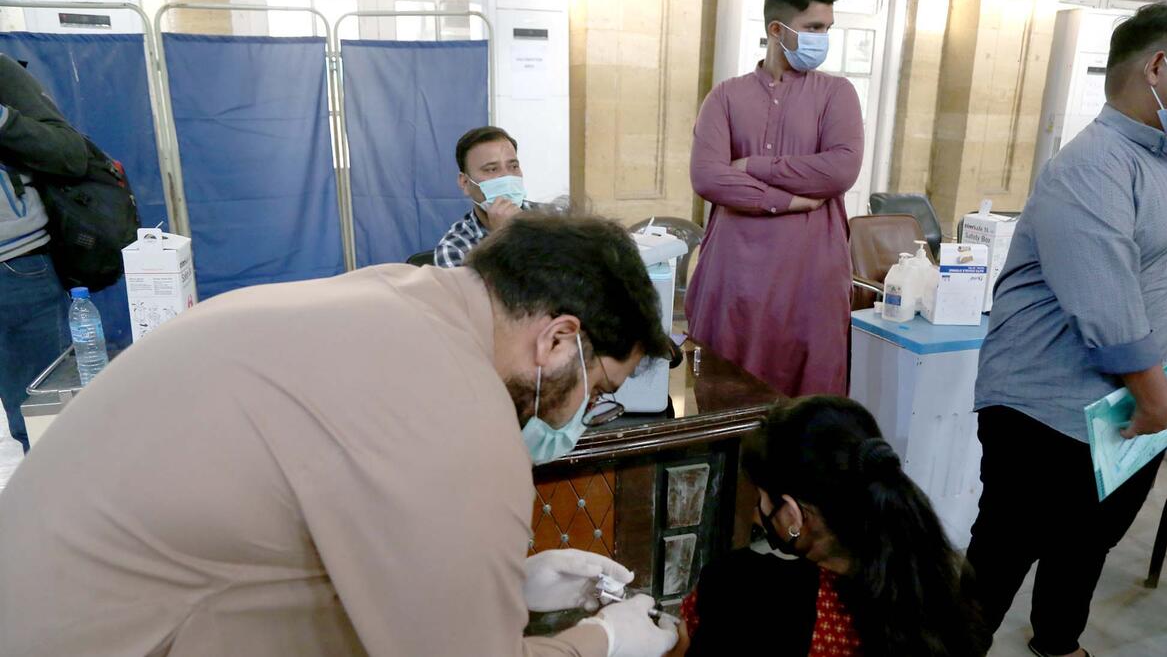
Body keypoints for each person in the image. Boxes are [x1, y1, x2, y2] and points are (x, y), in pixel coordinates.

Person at [0, 213, 679, 657]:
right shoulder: (456, 408)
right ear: (558, 339)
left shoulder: (399, 296)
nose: (583, 415)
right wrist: (601, 641)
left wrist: (509, 589)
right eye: (599, 391)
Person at [968, 2, 1167, 657]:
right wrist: (1157, 397)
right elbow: (1108, 304)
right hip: (1048, 409)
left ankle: (1057, 640)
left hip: (1141, 404)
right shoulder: (1094, 164)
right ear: (1157, 67)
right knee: (1003, 552)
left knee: (1087, 541)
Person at [670, 397, 987, 657]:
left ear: (793, 515)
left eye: (761, 499)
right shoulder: (937, 592)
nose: (756, 515)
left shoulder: (741, 591)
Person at [686, 0, 863, 398]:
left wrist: (753, 166)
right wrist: (786, 200)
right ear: (777, 30)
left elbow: (840, 170)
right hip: (734, 278)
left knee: (808, 407)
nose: (823, 38)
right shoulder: (725, 96)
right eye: (814, 27)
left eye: (827, 28)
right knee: (725, 397)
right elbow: (708, 177)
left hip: (810, 280)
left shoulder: (836, 94)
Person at [0, 54, 89, 452]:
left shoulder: (2, 71)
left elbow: (70, 154)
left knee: (46, 424)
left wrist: (4, 120)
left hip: (16, 269)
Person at [435, 125, 531, 268]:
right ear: (465, 183)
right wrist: (503, 238)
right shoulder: (454, 249)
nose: (506, 176)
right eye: (492, 169)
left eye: (513, 167)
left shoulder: (554, 219)